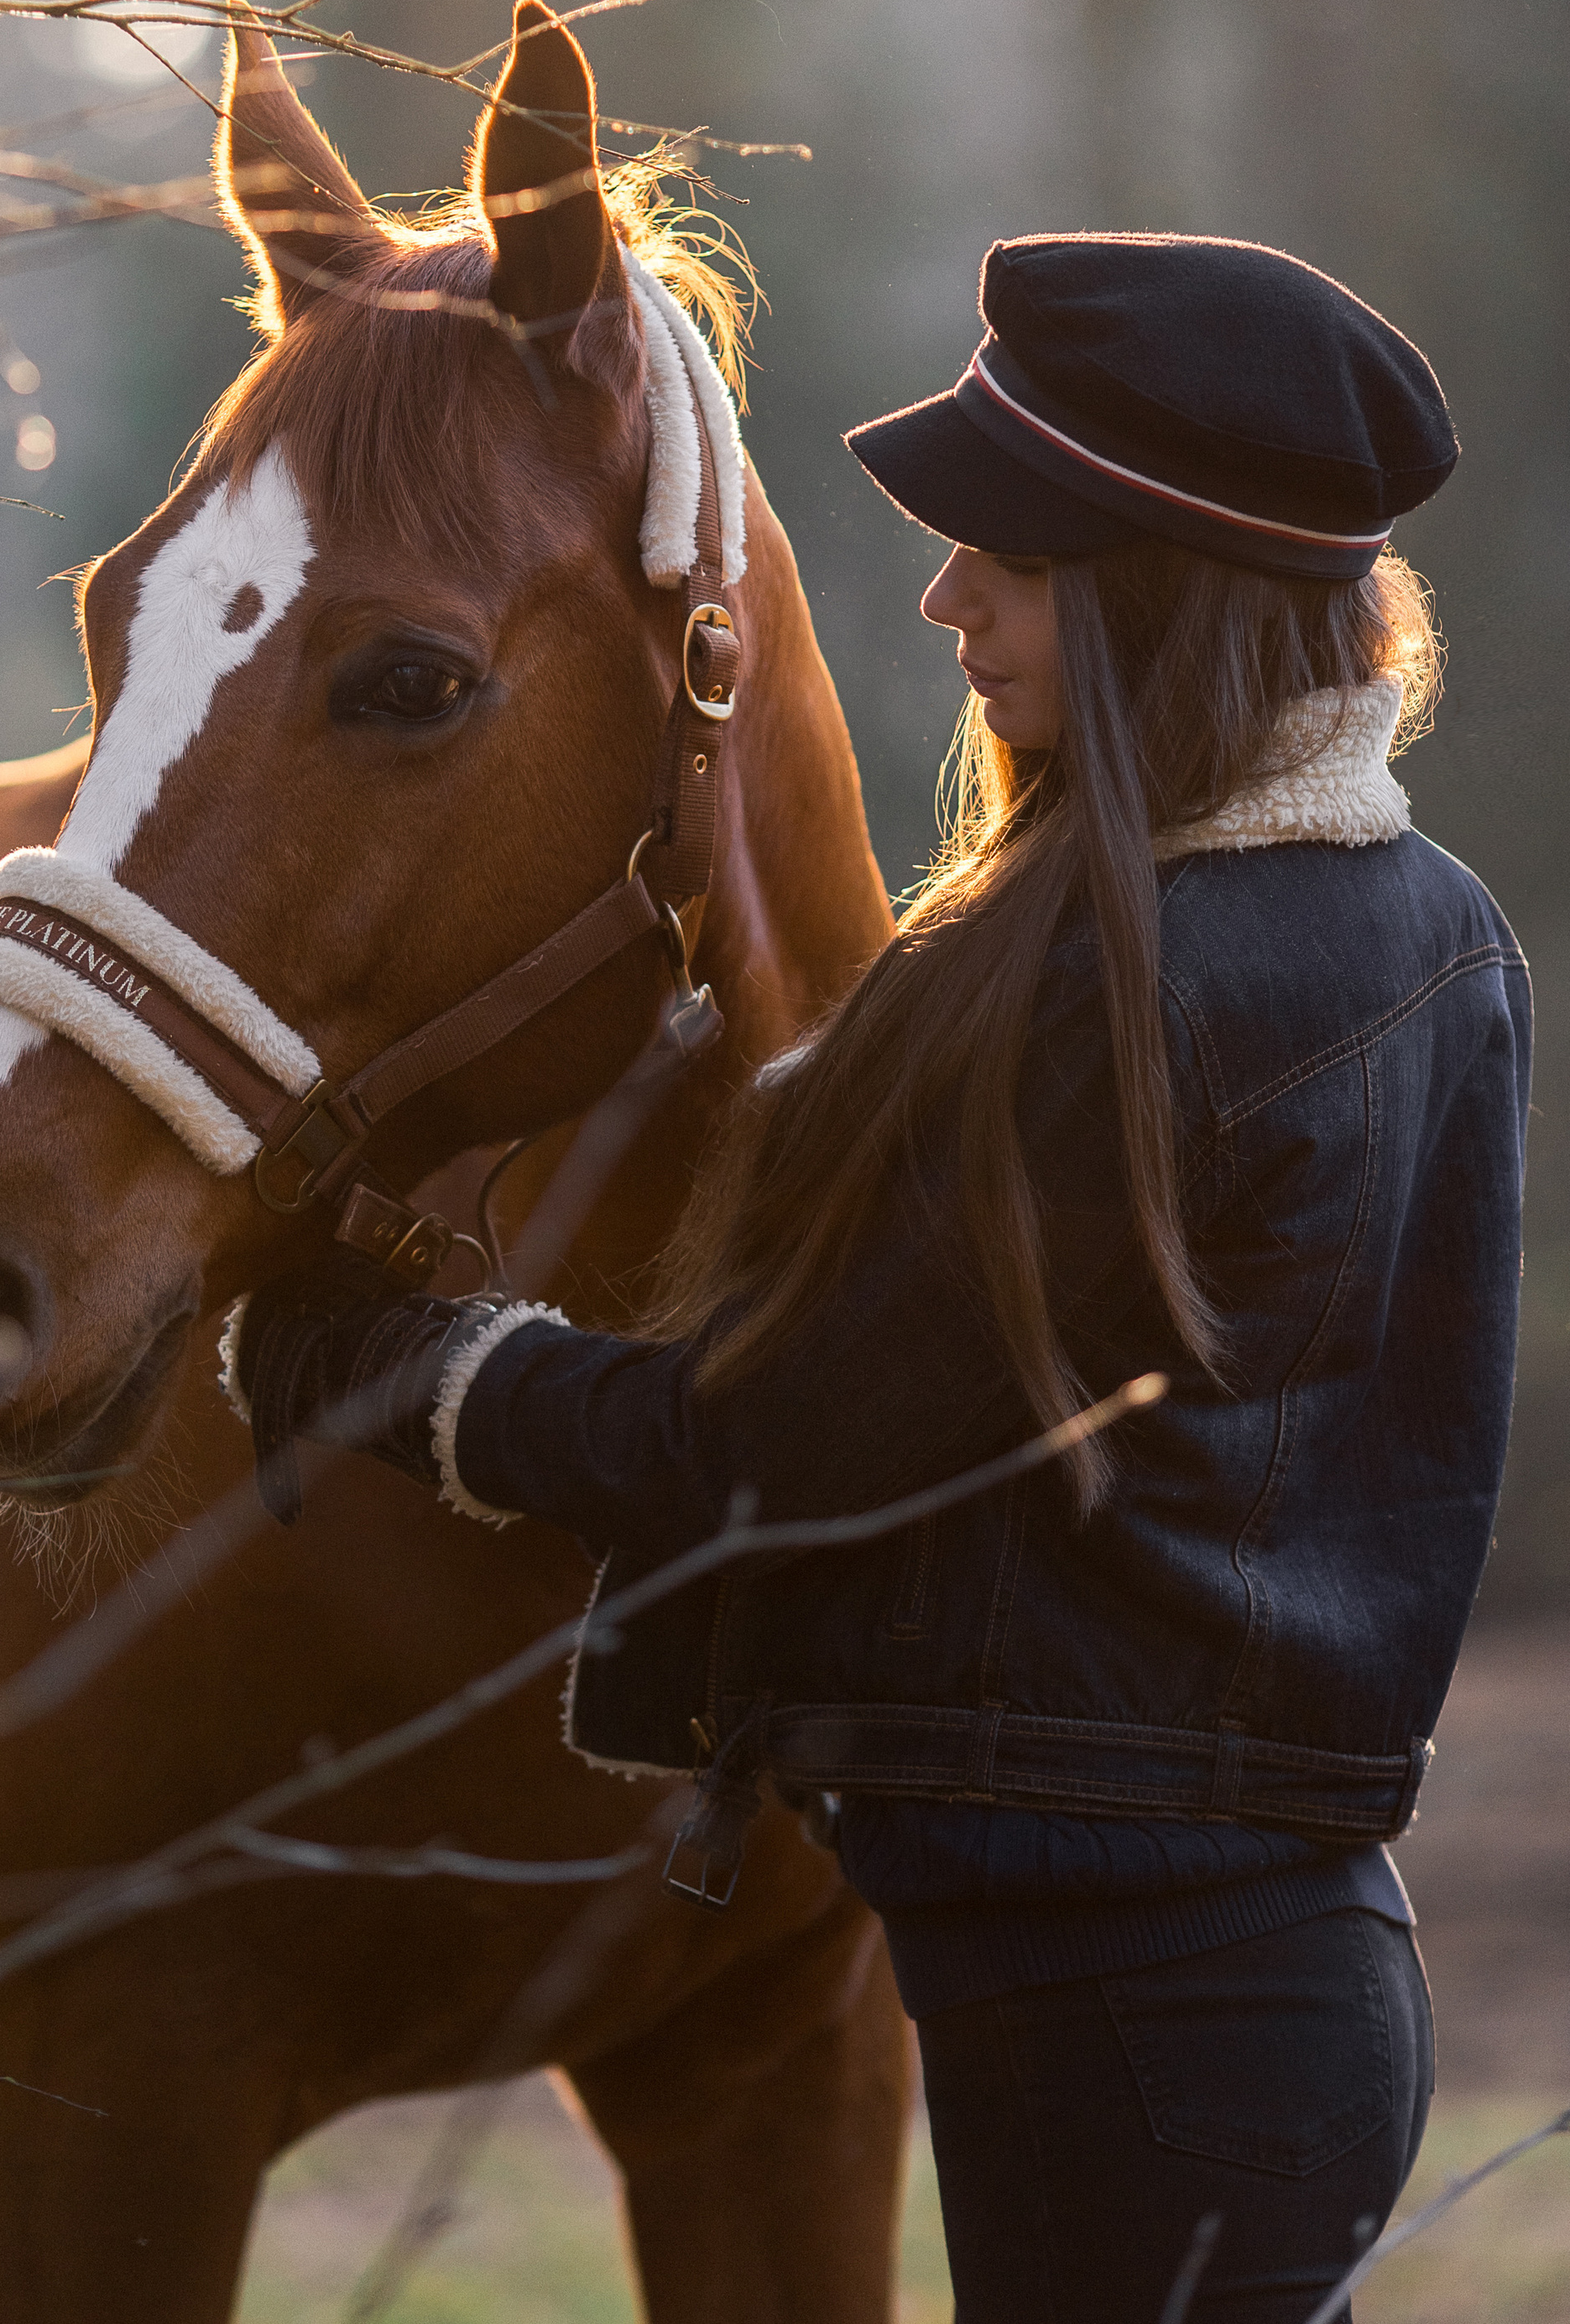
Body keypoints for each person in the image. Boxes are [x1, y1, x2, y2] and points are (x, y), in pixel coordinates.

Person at [233, 232, 1531, 2323]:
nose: (941, 600)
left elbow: (769, 1438)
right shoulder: (1423, 927)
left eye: (998, 555)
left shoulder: (1131, 991)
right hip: (1233, 1982)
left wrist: (394, 1363)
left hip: (1142, 2014)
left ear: (1146, 589)